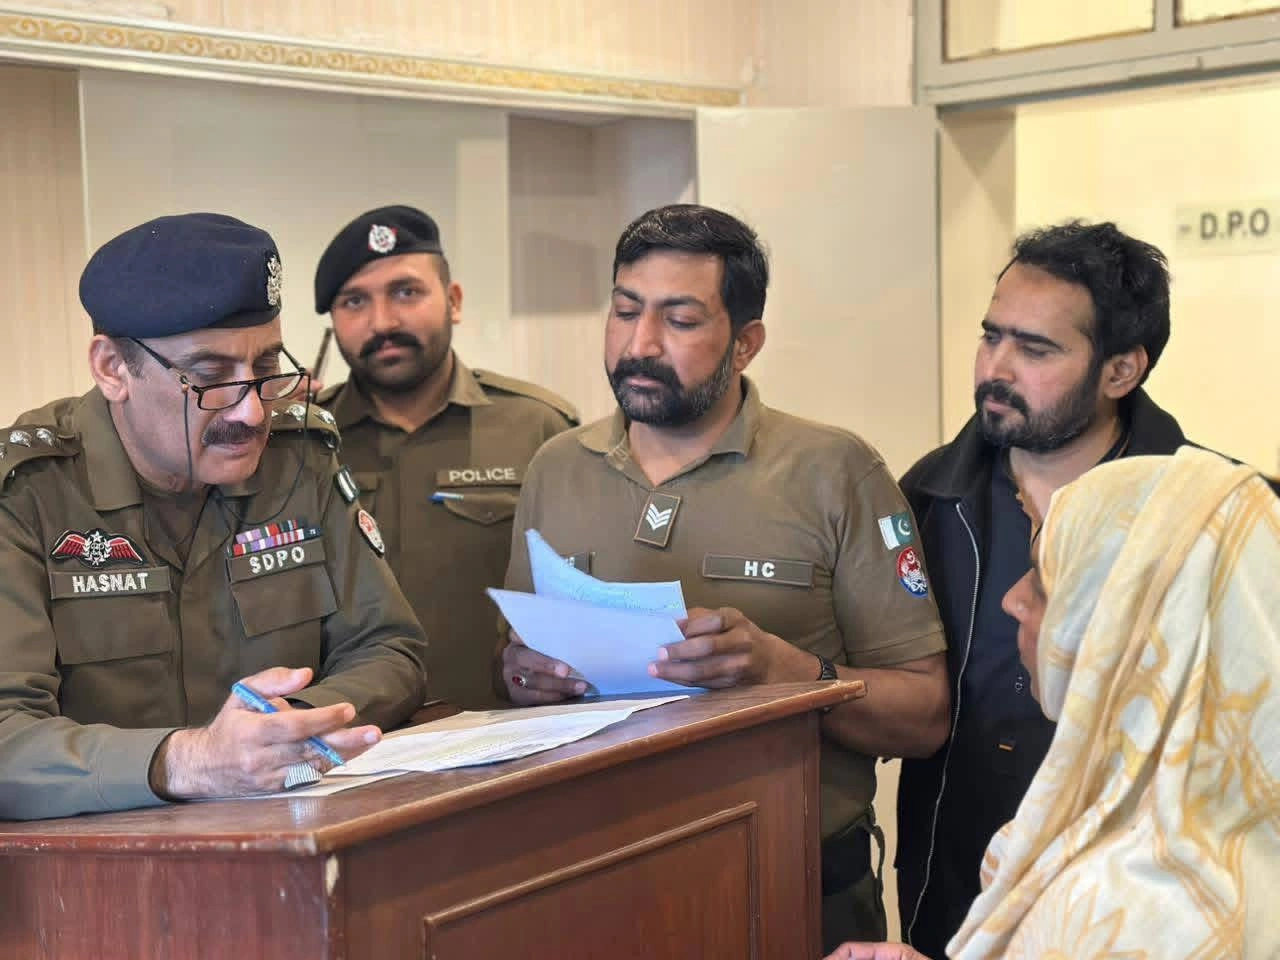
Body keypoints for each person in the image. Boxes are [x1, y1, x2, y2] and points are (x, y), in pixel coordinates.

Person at [495, 203, 950, 949]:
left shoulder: (835, 471)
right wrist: (521, 676)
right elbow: (512, 665)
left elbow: (926, 714)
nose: (640, 344)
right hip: (590, 880)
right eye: (624, 311)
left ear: (745, 344)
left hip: (792, 884)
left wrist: (786, 672)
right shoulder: (556, 468)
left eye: (679, 320)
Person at [0, 213, 429, 821]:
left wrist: (279, 731)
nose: (253, 412)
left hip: (292, 843)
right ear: (112, 369)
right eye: (210, 378)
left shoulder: (299, 458)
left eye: (265, 367)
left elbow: (388, 649)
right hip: (96, 877)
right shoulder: (27, 496)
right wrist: (188, 761)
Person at [827, 446, 1280, 959]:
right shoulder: (1218, 831)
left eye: (1044, 580)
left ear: (1127, 623)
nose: (1013, 600)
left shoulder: (1127, 904)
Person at [894, 221, 1201, 955]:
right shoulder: (928, 498)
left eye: (1035, 349)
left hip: (1140, 907)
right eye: (991, 335)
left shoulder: (1201, 513)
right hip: (955, 890)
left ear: (1121, 371)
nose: (996, 367)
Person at [314, 205, 577, 709]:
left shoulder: (538, 427)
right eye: (354, 302)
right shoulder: (305, 443)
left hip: (510, 743)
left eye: (406, 292)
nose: (383, 321)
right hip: (349, 747)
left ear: (453, 301)